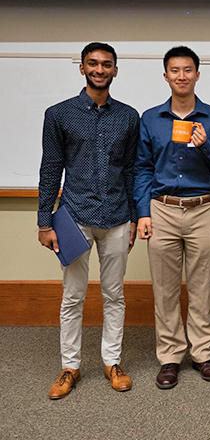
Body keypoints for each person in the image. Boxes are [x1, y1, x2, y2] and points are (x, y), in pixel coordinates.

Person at [38, 42, 139, 399]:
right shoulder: (59, 114)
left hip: (116, 217)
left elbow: (130, 171)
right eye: (93, 64)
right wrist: (44, 222)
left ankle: (112, 362)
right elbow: (50, 168)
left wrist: (135, 218)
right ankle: (70, 366)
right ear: (82, 68)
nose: (99, 69)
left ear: (115, 70)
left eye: (106, 64)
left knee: (115, 294)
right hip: (74, 217)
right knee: (73, 295)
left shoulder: (129, 117)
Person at [134, 46, 210, 389]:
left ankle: (203, 353)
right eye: (174, 70)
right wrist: (143, 213)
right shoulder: (150, 119)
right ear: (166, 76)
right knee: (164, 289)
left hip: (203, 207)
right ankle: (170, 356)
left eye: (187, 70)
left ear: (197, 74)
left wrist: (206, 145)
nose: (181, 76)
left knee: (201, 287)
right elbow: (142, 169)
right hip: (161, 208)